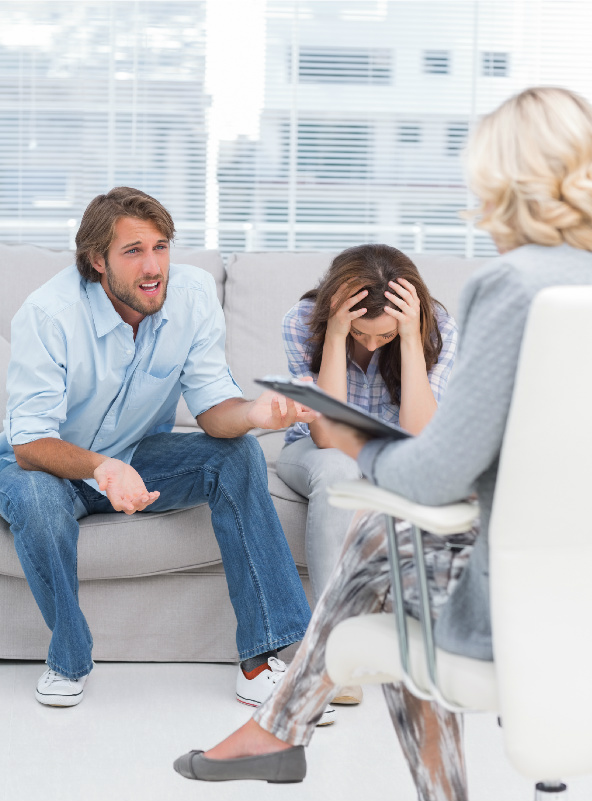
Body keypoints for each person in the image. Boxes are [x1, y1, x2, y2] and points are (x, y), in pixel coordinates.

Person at [173, 86, 592, 799]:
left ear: (503, 182)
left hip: (515, 595)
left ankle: (281, 727)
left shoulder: (512, 285)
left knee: (394, 555)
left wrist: (349, 436)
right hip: (569, 579)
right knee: (394, 545)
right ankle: (281, 731)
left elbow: (433, 474)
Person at [0, 186, 317, 710]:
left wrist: (255, 414)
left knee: (238, 453)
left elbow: (213, 408)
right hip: (48, 466)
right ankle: (69, 659)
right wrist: (102, 468)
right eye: (134, 251)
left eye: (161, 247)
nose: (153, 268)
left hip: (135, 455)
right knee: (35, 499)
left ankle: (262, 662)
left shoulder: (192, 296)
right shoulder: (49, 314)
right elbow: (30, 441)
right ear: (96, 260)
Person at [276, 243, 458, 704]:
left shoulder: (439, 328)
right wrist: (336, 336)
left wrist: (411, 339)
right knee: (340, 468)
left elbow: (418, 435)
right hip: (315, 453)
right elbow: (328, 437)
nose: (373, 344)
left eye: (385, 335)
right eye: (362, 333)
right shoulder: (302, 321)